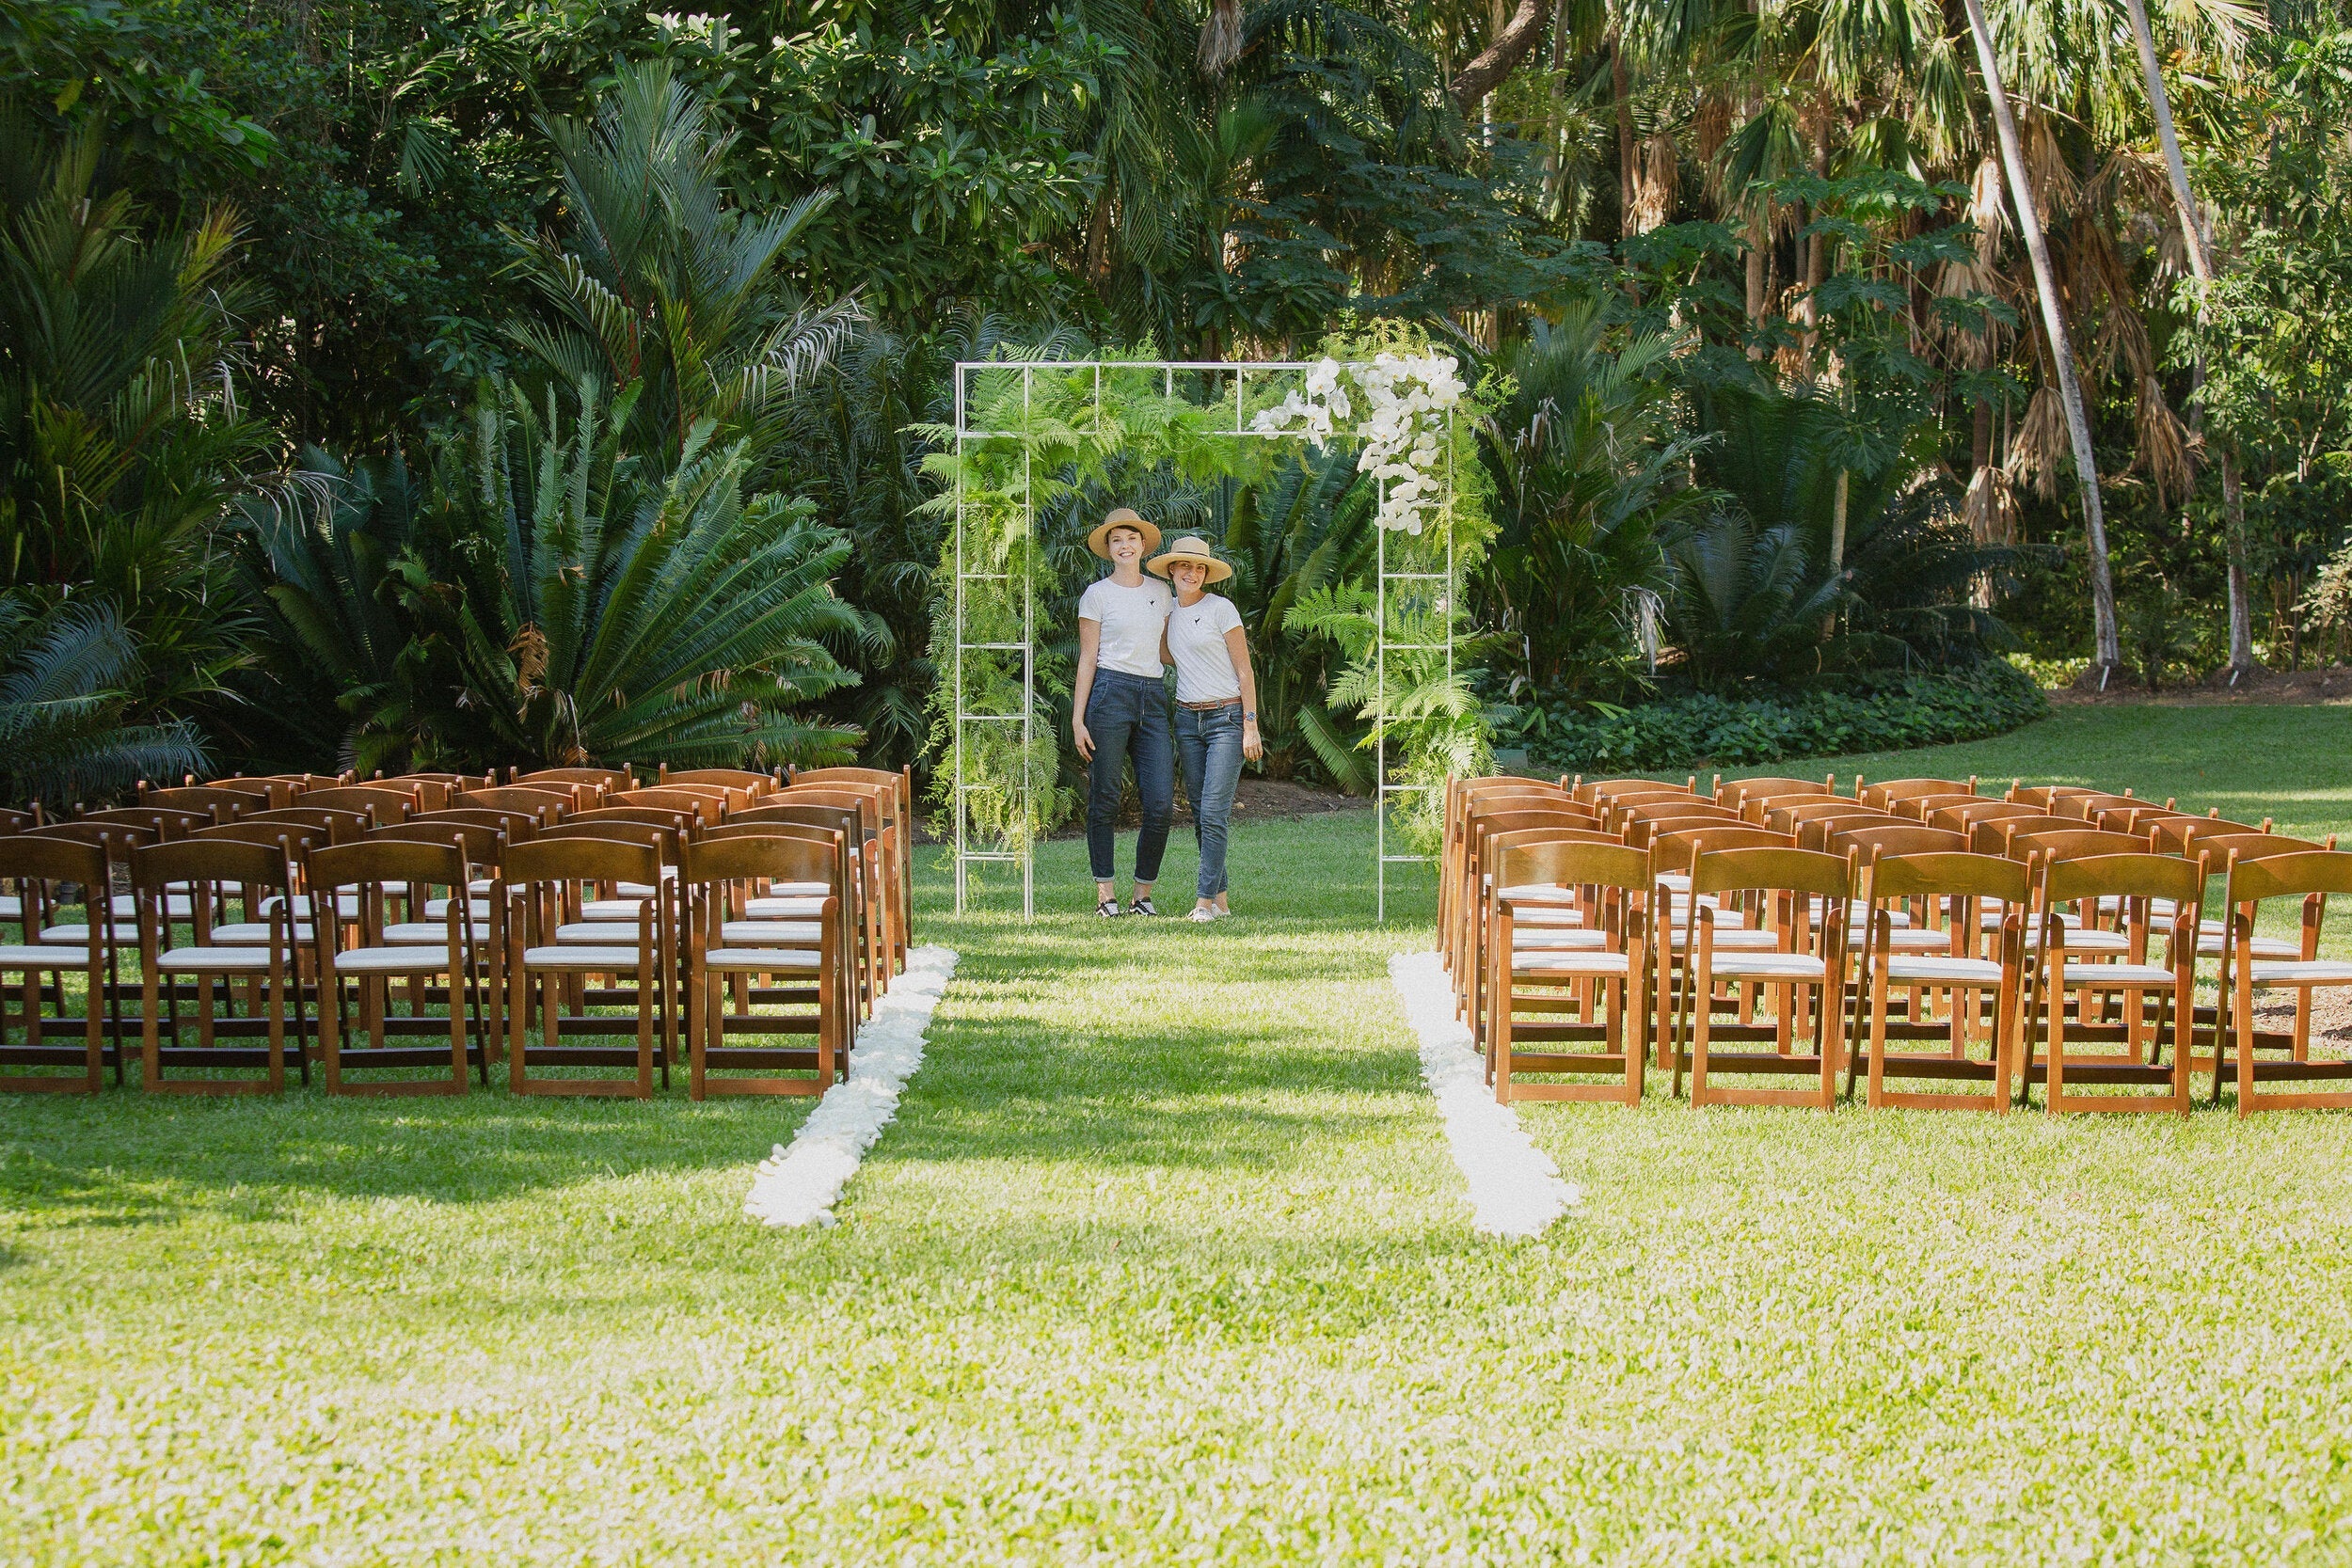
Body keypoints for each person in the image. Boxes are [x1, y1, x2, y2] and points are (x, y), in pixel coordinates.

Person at [1148, 535, 1262, 922]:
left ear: (1206, 574)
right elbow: (1166, 654)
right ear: (1171, 571)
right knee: (1201, 812)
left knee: (1213, 811)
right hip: (1186, 719)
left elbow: (1244, 670)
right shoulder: (1168, 614)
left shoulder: (1221, 609)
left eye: (1199, 567)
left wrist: (1251, 725)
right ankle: (1221, 900)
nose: (1191, 573)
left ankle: (1202, 903)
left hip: (1227, 718)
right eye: (1184, 566)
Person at [1073, 508, 1174, 917]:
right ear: (1109, 550)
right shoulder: (1096, 595)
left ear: (1144, 545)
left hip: (1152, 695)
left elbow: (1168, 651)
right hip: (1109, 694)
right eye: (1117, 540)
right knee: (1105, 797)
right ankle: (1106, 895)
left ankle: (1142, 896)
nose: (1125, 545)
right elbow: (1087, 658)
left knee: (1161, 803)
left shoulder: (1162, 592)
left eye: (1132, 538)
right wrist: (1078, 719)